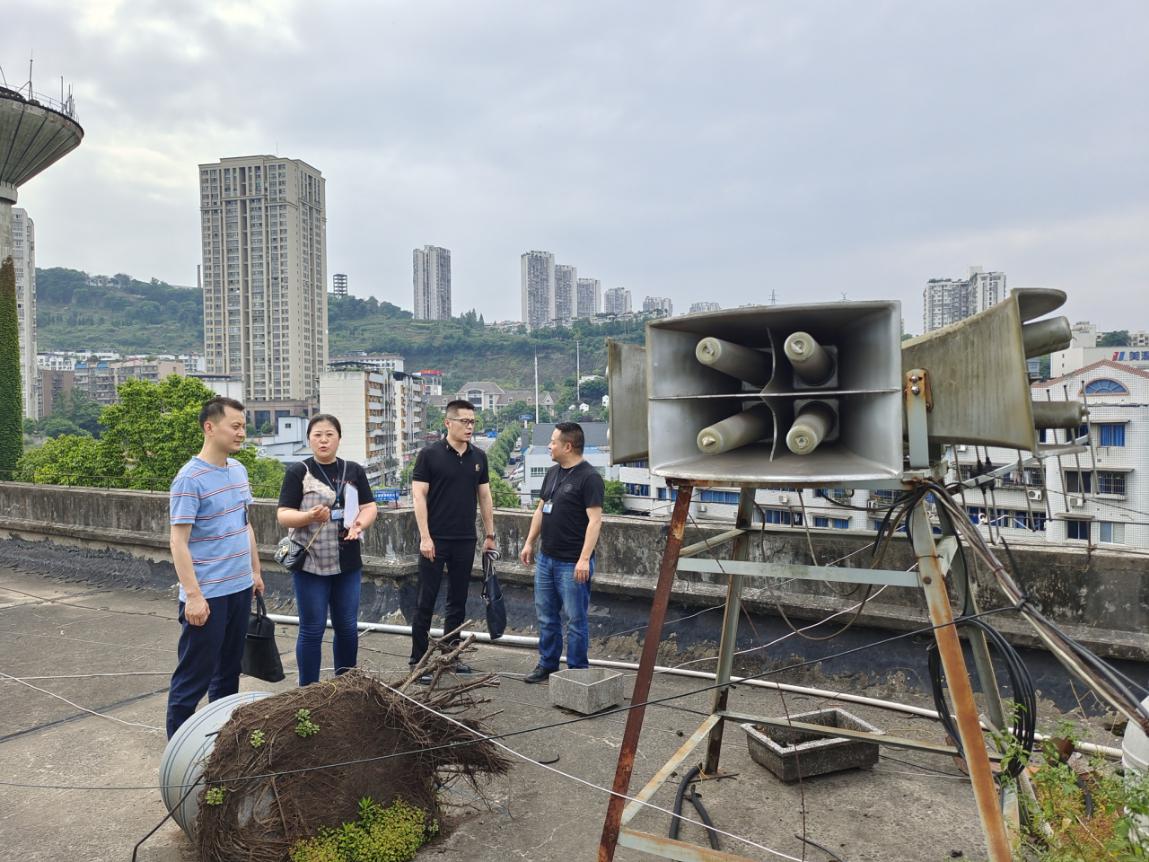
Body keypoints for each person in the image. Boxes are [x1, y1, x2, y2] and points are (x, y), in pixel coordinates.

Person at [166, 397, 265, 738]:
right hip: (208, 595)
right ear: (210, 427)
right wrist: (193, 595)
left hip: (239, 588)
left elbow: (244, 525)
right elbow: (178, 541)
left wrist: (255, 572)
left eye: (243, 427)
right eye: (235, 426)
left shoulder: (238, 470)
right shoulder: (189, 479)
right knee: (193, 678)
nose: (241, 433)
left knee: (228, 675)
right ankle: (178, 751)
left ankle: (220, 746)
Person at [277, 414, 377, 686]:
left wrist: (359, 524)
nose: (323, 440)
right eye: (317, 435)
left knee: (347, 627)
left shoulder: (353, 470)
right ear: (309, 439)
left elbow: (369, 507)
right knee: (312, 628)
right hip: (310, 562)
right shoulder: (299, 471)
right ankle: (308, 690)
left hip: (347, 561)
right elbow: (284, 515)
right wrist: (309, 516)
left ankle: (345, 686)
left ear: (339, 438)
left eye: (329, 434)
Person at [409, 399, 496, 677]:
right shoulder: (429, 455)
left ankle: (450, 656)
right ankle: (417, 661)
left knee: (457, 601)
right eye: (464, 421)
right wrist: (425, 537)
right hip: (435, 539)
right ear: (448, 422)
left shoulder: (478, 457)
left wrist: (490, 534)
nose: (469, 427)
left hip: (465, 539)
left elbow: (485, 497)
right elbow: (418, 496)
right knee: (425, 600)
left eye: (473, 422)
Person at [518, 422, 604, 683]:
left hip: (572, 563)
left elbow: (595, 521)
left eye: (553, 442)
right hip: (547, 558)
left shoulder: (589, 477)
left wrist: (584, 559)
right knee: (546, 616)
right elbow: (541, 509)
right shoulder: (553, 473)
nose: (549, 446)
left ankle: (577, 672)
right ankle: (547, 664)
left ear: (568, 446)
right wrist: (530, 542)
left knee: (576, 621)